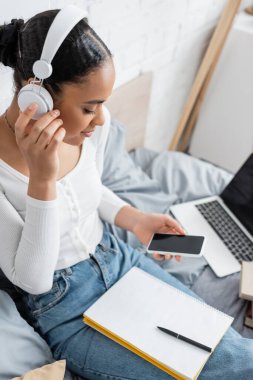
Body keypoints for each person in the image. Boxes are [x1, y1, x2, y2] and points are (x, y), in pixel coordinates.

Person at [0, 9, 252, 380]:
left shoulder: (90, 132)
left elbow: (89, 189)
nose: (102, 120)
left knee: (232, 351)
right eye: (89, 108)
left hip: (118, 260)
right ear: (35, 97)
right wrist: (42, 179)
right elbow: (33, 279)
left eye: (102, 104)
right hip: (66, 307)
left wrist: (135, 219)